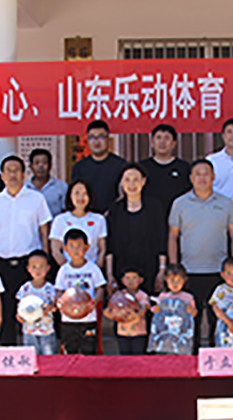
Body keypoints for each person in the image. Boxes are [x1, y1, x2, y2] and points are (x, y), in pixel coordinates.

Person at [168, 159, 233, 348]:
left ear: (213, 177)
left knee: (218, 319)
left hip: (219, 272)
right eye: (198, 174)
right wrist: (174, 268)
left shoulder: (226, 203)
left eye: (206, 173)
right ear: (191, 178)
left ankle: (217, 356)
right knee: (192, 319)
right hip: (189, 271)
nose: (202, 177)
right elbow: (173, 236)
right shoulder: (180, 203)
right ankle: (192, 357)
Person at [0, 155, 51, 346]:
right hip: (1, 264)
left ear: (23, 174)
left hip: (29, 266)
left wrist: (46, 260)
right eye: (8, 171)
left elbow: (44, 231)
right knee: (4, 312)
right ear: (2, 175)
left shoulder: (36, 199)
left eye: (16, 170)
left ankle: (35, 352)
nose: (12, 175)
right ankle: (8, 352)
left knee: (33, 311)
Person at [106, 164, 167, 295]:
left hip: (149, 270)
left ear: (143, 181)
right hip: (121, 272)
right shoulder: (115, 209)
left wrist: (161, 271)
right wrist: (110, 275)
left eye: (136, 179)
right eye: (127, 180)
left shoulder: (155, 207)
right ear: (122, 182)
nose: (132, 184)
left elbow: (161, 240)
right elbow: (110, 246)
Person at [55, 229, 106, 355]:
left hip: (88, 318)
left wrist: (95, 302)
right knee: (70, 351)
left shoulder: (93, 268)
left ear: (87, 247)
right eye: (71, 246)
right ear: (65, 249)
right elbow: (59, 291)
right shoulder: (64, 270)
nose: (75, 250)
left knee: (89, 351)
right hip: (68, 319)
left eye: (79, 246)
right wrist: (59, 302)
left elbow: (100, 288)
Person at [70, 120, 127, 213]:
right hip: (87, 217)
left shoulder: (121, 165)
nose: (96, 141)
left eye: (101, 137)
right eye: (92, 137)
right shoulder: (79, 167)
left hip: (114, 216)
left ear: (108, 139)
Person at [50, 181, 107, 268]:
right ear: (70, 196)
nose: (81, 197)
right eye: (77, 193)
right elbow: (55, 251)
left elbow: (102, 249)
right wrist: (69, 270)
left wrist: (94, 270)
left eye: (84, 193)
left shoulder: (99, 219)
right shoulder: (60, 220)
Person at [139, 124, 192, 214]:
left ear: (174, 143)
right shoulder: (142, 167)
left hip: (177, 216)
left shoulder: (184, 167)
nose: (162, 142)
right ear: (152, 142)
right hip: (148, 216)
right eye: (158, 138)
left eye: (167, 138)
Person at [148, 263, 197, 355]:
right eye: (172, 280)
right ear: (166, 279)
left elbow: (193, 315)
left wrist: (191, 310)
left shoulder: (188, 298)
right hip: (165, 333)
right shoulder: (162, 297)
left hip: (181, 333)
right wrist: (154, 309)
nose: (175, 284)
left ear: (184, 280)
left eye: (178, 280)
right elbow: (156, 313)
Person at [15, 249, 58, 355]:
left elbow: (55, 306)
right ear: (28, 269)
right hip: (29, 330)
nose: (37, 270)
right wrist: (19, 315)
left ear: (48, 268)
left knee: (48, 357)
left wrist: (50, 308)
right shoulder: (25, 288)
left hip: (46, 330)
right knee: (30, 356)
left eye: (41, 267)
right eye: (34, 267)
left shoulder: (50, 288)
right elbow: (19, 304)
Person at [104, 266, 150, 355]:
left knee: (138, 357)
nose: (130, 281)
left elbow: (143, 309)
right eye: (127, 278)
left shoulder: (142, 295)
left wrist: (132, 316)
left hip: (138, 333)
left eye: (134, 278)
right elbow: (107, 312)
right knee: (125, 358)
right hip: (122, 333)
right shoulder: (119, 295)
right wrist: (115, 314)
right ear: (123, 280)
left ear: (141, 280)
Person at [26, 148, 68, 217]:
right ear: (31, 166)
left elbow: (66, 212)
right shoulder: (24, 188)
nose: (41, 166)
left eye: (44, 162)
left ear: (50, 165)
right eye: (37, 163)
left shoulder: (61, 186)